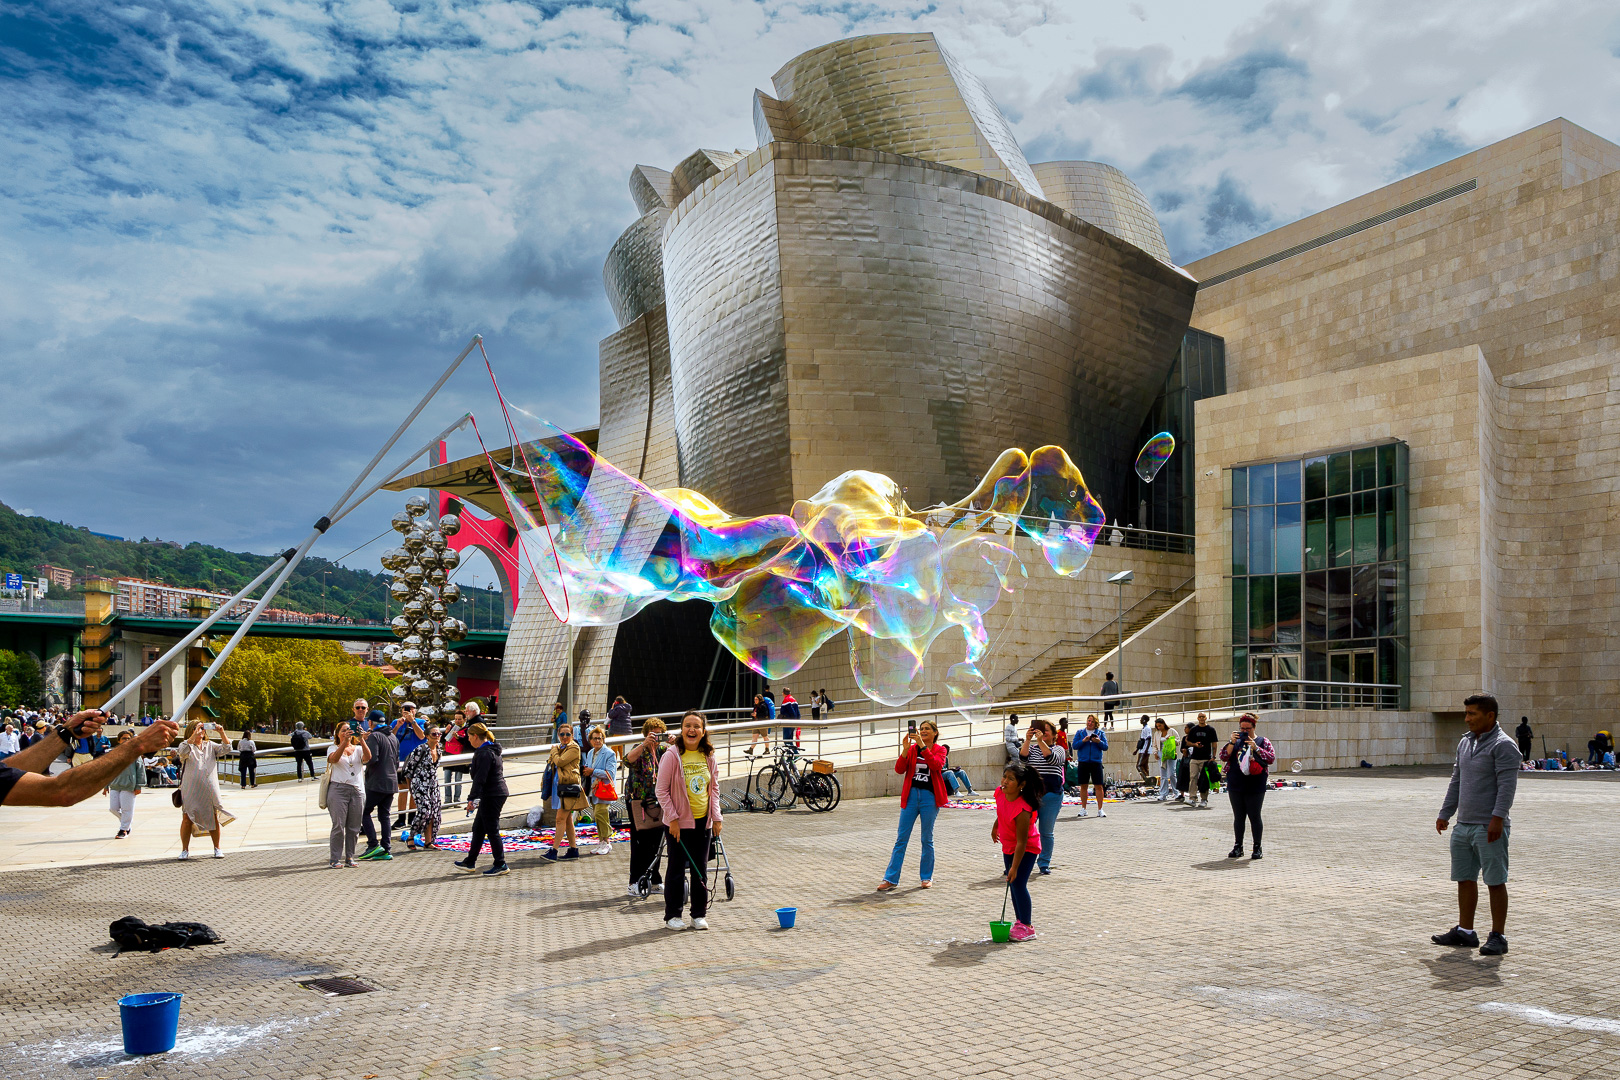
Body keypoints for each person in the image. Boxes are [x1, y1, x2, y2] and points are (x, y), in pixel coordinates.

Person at [1433, 693, 1520, 957]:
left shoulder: (1504, 745)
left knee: (1495, 881)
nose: (1467, 718)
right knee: (1464, 878)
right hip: (1464, 825)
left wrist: (1497, 818)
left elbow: (1507, 787)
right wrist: (1446, 813)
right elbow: (1456, 780)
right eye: (1466, 713)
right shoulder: (1465, 742)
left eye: (1472, 714)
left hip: (1489, 826)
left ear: (1490, 716)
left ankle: (1498, 936)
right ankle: (1466, 932)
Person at [656, 710, 722, 930]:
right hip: (677, 824)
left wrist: (717, 817)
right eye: (687, 726)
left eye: (696, 726)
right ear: (682, 729)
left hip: (703, 822)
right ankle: (672, 916)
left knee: (700, 869)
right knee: (675, 869)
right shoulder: (671, 755)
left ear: (703, 731)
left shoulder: (708, 756)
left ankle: (698, 915)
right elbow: (661, 790)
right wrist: (672, 819)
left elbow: (714, 789)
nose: (691, 730)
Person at [879, 718, 949, 891]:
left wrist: (923, 747)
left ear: (935, 732)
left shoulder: (940, 750)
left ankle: (926, 877)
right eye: (921, 729)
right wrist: (904, 750)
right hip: (911, 796)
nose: (923, 731)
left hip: (929, 798)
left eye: (927, 729)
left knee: (927, 838)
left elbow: (936, 766)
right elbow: (899, 770)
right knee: (901, 839)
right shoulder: (911, 749)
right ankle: (890, 878)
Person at [992, 759, 1041, 942]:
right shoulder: (999, 793)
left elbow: (1022, 842)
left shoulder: (1023, 810)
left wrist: (1013, 867)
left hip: (1027, 848)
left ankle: (1027, 926)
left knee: (1018, 882)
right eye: (1004, 776)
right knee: (1013, 884)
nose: (1004, 781)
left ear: (1021, 785)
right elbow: (1001, 811)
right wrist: (996, 826)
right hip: (1008, 845)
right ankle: (1019, 922)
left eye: (1010, 779)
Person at [455, 722, 509, 876]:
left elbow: (480, 778)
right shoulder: (490, 749)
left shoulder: (485, 753)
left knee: (492, 830)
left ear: (476, 736)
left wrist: (472, 798)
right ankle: (470, 861)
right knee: (478, 828)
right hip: (493, 793)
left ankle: (501, 863)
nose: (468, 740)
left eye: (469, 737)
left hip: (493, 794)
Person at [1219, 713, 1276, 859]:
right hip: (1236, 783)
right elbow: (1223, 756)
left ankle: (1257, 847)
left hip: (1255, 784)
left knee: (1254, 816)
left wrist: (1256, 748)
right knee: (1239, 817)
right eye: (1242, 728)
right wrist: (1231, 742)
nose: (1244, 732)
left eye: (1248, 729)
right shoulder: (1235, 741)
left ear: (1254, 727)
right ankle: (1238, 846)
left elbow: (1271, 758)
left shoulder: (1263, 741)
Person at [623, 717, 668, 897]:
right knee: (639, 840)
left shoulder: (664, 750)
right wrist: (644, 744)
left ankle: (654, 880)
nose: (656, 737)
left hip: (657, 802)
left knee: (657, 841)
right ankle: (634, 881)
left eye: (660, 733)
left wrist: (675, 743)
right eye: (653, 733)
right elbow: (627, 761)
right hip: (638, 802)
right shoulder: (639, 748)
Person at [177, 721, 234, 860]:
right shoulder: (186, 745)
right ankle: (184, 849)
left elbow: (226, 748)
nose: (201, 731)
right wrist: (193, 736)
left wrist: (221, 732)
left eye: (203, 729)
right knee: (187, 818)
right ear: (191, 730)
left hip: (209, 788)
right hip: (191, 788)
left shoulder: (210, 746)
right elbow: (182, 753)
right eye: (198, 728)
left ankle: (217, 848)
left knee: (213, 816)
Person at [1020, 718, 1066, 874]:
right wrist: (1027, 740)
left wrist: (1040, 742)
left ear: (1054, 735)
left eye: (1046, 730)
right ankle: (1020, 862)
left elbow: (1052, 758)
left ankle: (1044, 862)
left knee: (1046, 832)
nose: (1043, 732)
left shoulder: (1059, 749)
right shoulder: (1032, 748)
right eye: (1041, 729)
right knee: (1024, 831)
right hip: (1031, 795)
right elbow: (1022, 758)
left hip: (1051, 795)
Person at [325, 723, 371, 868]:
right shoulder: (332, 748)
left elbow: (368, 757)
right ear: (337, 734)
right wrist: (344, 743)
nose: (346, 733)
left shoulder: (357, 749)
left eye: (348, 731)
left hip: (357, 790)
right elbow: (333, 759)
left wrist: (362, 739)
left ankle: (350, 856)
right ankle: (335, 858)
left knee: (354, 826)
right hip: (338, 789)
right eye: (343, 731)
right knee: (338, 825)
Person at [358, 708, 399, 861]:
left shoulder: (375, 736)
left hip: (377, 782)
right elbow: (396, 760)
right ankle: (386, 848)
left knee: (364, 811)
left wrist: (362, 761)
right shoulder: (393, 737)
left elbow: (371, 759)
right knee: (384, 815)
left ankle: (373, 845)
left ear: (370, 722)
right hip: (391, 782)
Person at [543, 722, 588, 861]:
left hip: (568, 787)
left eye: (568, 734)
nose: (564, 737)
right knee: (567, 819)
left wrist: (554, 751)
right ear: (558, 735)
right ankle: (573, 849)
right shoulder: (561, 747)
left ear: (572, 735)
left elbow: (560, 762)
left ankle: (554, 851)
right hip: (560, 787)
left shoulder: (573, 747)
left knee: (560, 819)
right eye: (562, 734)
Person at [401, 725, 443, 850]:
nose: (437, 736)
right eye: (434, 734)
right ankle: (411, 836)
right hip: (419, 784)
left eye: (438, 734)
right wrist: (410, 788)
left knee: (434, 813)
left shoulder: (439, 751)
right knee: (425, 811)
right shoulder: (420, 749)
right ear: (427, 736)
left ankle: (428, 841)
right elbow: (408, 770)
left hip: (433, 785)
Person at [580, 725, 618, 856]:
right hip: (594, 789)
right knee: (597, 815)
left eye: (600, 738)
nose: (597, 741)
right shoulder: (590, 753)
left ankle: (607, 841)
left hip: (604, 790)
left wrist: (593, 771)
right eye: (595, 738)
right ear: (590, 740)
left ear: (603, 739)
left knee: (602, 814)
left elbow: (610, 774)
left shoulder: (609, 753)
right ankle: (601, 841)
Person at [102, 730, 145, 838]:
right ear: (119, 740)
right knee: (113, 808)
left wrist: (139, 785)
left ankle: (123, 830)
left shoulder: (135, 753)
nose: (126, 740)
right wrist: (105, 785)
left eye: (128, 738)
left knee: (127, 809)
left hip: (129, 785)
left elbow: (140, 770)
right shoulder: (113, 754)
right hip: (115, 785)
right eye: (123, 738)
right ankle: (126, 823)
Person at [393, 702, 424, 828]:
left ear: (415, 711)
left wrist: (413, 722)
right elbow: (390, 736)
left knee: (413, 790)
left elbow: (422, 736)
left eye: (411, 710)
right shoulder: (396, 722)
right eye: (405, 710)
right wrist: (398, 725)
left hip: (415, 760)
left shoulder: (420, 722)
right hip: (400, 760)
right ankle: (401, 818)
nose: (408, 712)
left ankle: (412, 817)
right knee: (403, 789)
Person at [1071, 714, 1107, 818]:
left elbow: (1105, 747)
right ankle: (1083, 808)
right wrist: (1083, 740)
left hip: (1096, 762)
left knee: (1098, 786)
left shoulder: (1100, 733)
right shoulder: (1080, 732)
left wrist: (1098, 741)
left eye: (1091, 721)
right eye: (1088, 721)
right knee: (1083, 785)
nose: (1089, 723)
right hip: (1083, 761)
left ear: (1095, 723)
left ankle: (1100, 809)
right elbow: (1074, 746)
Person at [1185, 712, 1219, 808]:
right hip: (1194, 758)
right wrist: (1195, 745)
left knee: (1204, 780)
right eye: (1200, 717)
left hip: (1206, 758)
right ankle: (1192, 798)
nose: (1201, 718)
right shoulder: (1194, 729)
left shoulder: (1211, 729)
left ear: (1206, 718)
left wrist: (1214, 756)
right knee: (1193, 778)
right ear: (1197, 718)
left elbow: (1214, 743)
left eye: (1203, 716)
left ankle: (1204, 799)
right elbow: (1188, 742)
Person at [442, 710, 469, 805]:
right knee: (447, 778)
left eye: (459, 719)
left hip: (459, 756)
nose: (457, 721)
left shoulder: (467, 729)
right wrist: (446, 732)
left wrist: (458, 738)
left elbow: (467, 743)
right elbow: (443, 740)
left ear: (464, 719)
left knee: (458, 779)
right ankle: (447, 799)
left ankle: (457, 799)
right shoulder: (452, 727)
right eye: (456, 719)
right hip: (448, 754)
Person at [1153, 719, 1178, 801]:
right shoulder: (1157, 733)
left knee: (1171, 773)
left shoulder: (1171, 731)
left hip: (1170, 753)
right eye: (1157, 726)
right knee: (1163, 774)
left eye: (1160, 725)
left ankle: (1176, 792)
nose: (1159, 727)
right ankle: (1163, 794)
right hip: (1161, 754)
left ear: (1164, 724)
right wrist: (1155, 753)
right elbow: (1154, 744)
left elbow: (1178, 741)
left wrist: (1172, 739)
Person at [1133, 715, 1153, 781]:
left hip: (1144, 750)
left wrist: (1146, 749)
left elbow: (1149, 738)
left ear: (1144, 720)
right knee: (1144, 766)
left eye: (1141, 719)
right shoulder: (1144, 728)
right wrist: (1137, 750)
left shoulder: (1147, 728)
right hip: (1142, 749)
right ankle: (1148, 779)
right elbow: (1142, 740)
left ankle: (1147, 779)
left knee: (1139, 766)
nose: (1140, 720)